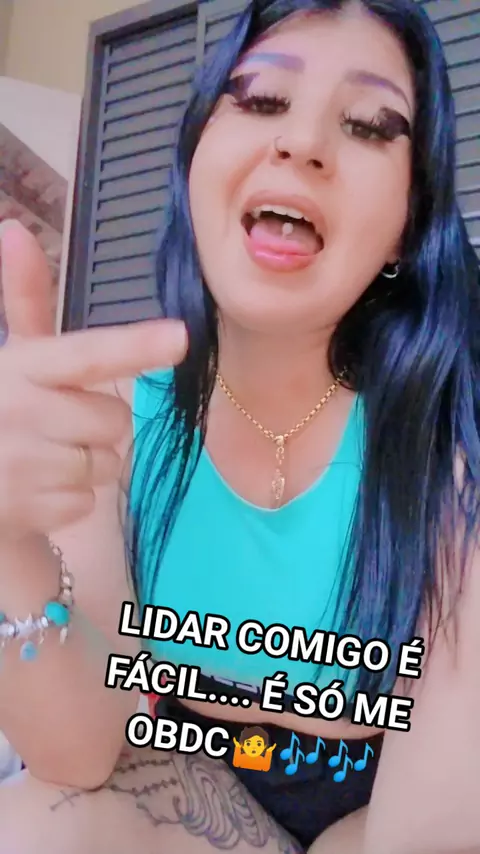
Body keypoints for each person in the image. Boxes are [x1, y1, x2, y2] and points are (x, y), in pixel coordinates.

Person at [0, 0, 479, 852]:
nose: (302, 142)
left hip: (384, 815)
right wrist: (9, 539)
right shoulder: (111, 413)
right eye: (260, 100)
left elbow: (420, 832)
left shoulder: (452, 451)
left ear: (407, 227)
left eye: (371, 126)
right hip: (200, 787)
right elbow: (77, 751)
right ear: (195, 160)